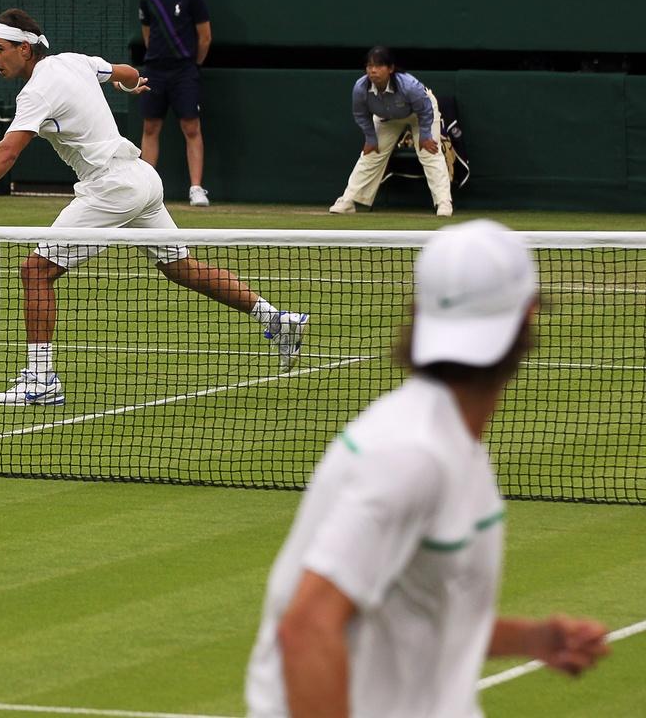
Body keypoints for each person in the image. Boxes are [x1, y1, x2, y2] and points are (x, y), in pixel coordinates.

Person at [245, 220, 610, 717]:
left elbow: (417, 618)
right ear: (528, 317)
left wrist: (532, 638)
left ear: (419, 314)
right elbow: (307, 627)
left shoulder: (443, 439)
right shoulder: (410, 456)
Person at [0, 9, 307, 406]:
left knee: (35, 271)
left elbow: (7, 150)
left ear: (25, 49)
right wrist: (131, 86)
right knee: (181, 268)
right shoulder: (75, 62)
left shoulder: (37, 91)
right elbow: (127, 72)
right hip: (142, 178)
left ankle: (41, 381)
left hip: (111, 187)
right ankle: (277, 319)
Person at [329, 46, 454, 217]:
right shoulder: (360, 88)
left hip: (420, 114)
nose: (373, 70)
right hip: (387, 117)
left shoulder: (409, 86)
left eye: (379, 66)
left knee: (429, 151)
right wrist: (371, 138)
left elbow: (425, 109)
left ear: (390, 68)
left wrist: (425, 135)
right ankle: (348, 200)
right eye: (369, 66)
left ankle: (443, 202)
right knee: (371, 154)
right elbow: (361, 115)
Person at [137, 0, 212, 207]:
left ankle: (196, 188)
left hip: (185, 71)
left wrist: (191, 64)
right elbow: (147, 35)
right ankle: (146, 190)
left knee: (191, 127)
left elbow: (205, 37)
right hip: (155, 70)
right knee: (150, 128)